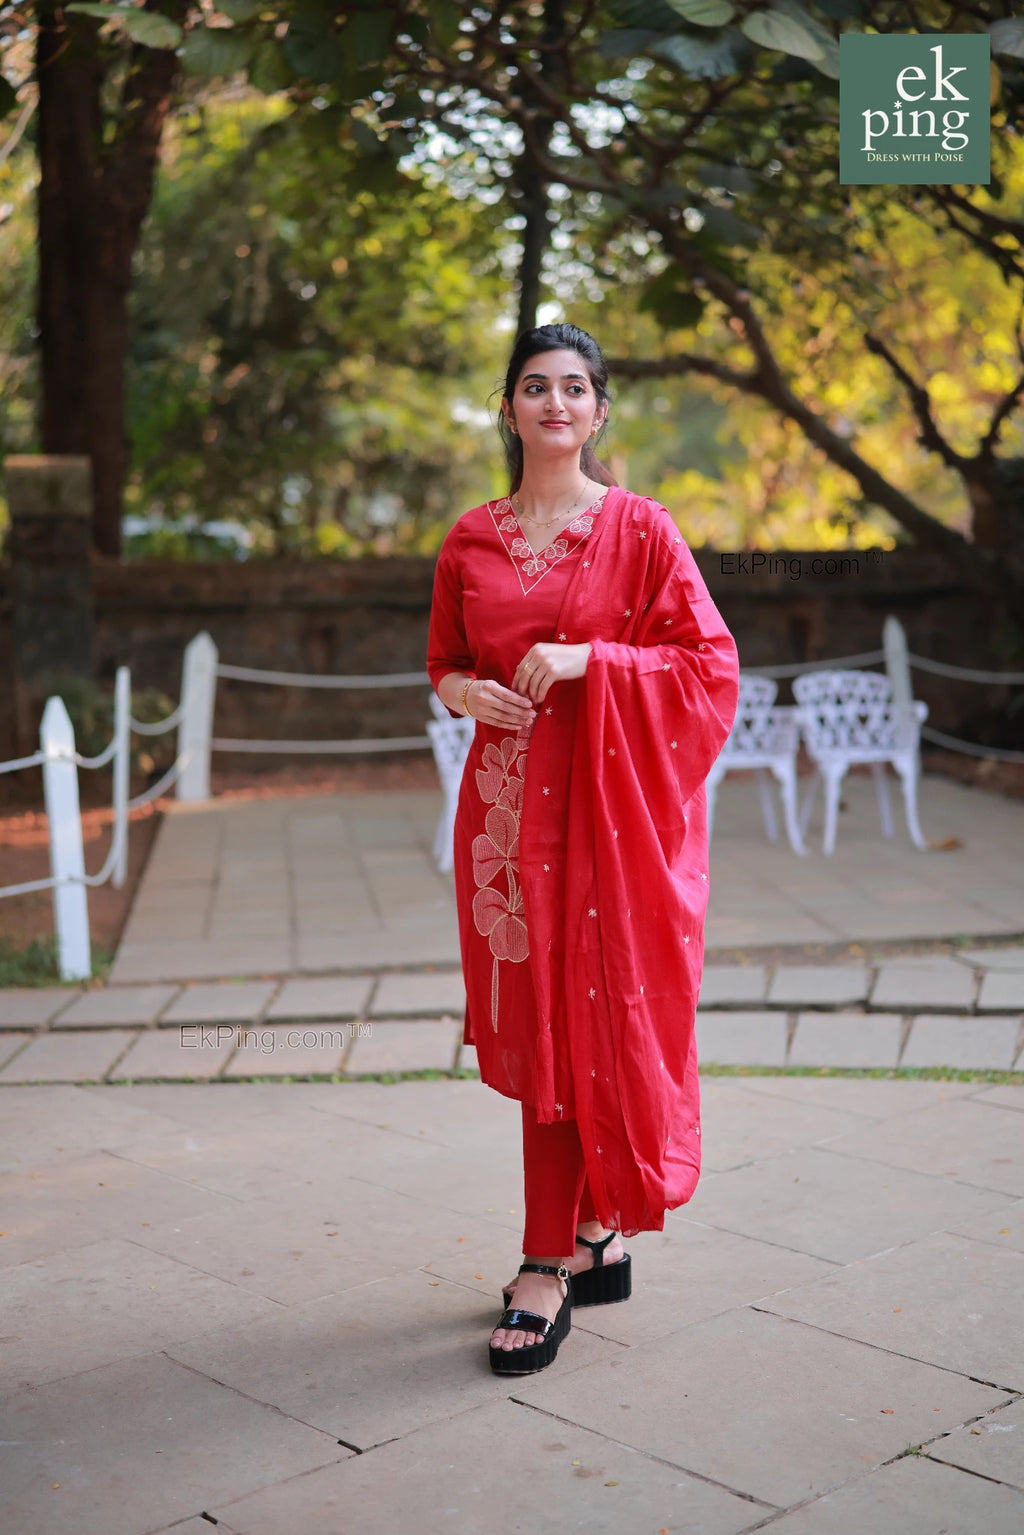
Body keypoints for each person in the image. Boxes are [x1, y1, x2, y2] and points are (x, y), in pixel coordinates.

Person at [426, 322, 738, 1375]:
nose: (554, 402)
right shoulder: (470, 537)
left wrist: (592, 659)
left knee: (589, 1016)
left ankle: (546, 1262)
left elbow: (708, 664)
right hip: (511, 828)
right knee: (541, 1030)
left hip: (609, 832)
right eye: (533, 386)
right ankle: (594, 1231)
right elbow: (445, 663)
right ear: (508, 409)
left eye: (573, 387)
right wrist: (469, 689)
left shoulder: (642, 530)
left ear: (598, 411)